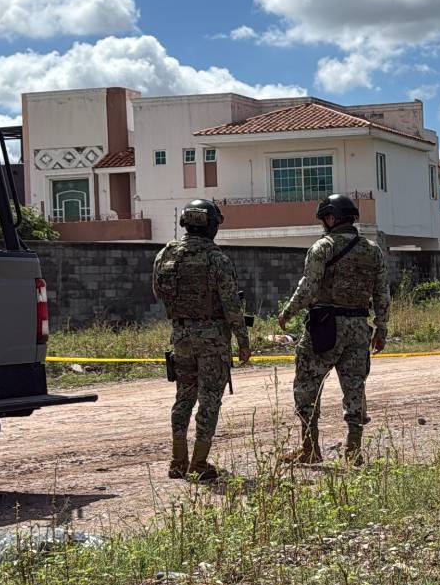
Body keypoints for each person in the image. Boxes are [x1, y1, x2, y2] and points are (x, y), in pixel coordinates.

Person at [276, 194, 390, 465]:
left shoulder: (322, 247)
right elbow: (382, 293)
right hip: (359, 328)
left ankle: (309, 448)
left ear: (330, 218)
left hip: (325, 327)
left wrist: (288, 312)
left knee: (307, 386)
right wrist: (381, 328)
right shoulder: (373, 250)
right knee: (354, 387)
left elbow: (309, 286)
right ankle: (353, 450)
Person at [151, 199, 251, 479]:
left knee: (183, 397)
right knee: (209, 400)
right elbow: (232, 306)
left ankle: (178, 461)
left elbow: (159, 292)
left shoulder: (167, 254)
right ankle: (199, 464)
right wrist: (243, 341)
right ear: (212, 226)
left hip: (180, 336)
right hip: (213, 338)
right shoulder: (217, 259)